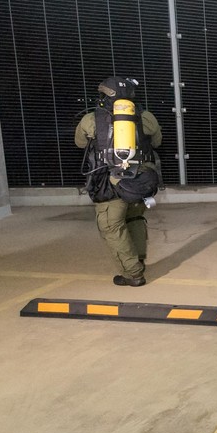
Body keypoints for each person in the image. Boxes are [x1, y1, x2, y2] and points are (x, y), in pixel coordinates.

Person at [75, 76, 163, 287]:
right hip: (142, 180)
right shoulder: (147, 116)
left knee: (112, 226)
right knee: (134, 219)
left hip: (110, 181)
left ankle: (133, 274)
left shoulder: (90, 119)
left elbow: (79, 143)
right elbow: (157, 142)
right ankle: (139, 260)